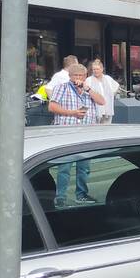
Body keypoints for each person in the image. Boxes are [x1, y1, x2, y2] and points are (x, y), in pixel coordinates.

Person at [48, 63, 104, 207]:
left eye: (81, 76)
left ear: (85, 77)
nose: (78, 78)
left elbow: (102, 101)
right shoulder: (62, 87)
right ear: (70, 76)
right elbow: (52, 106)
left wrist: (88, 89)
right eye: (75, 76)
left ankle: (81, 194)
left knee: (84, 166)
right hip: (67, 132)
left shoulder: (88, 89)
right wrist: (72, 113)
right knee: (65, 166)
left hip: (86, 133)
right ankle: (60, 196)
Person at [85, 59, 120, 124]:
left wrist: (112, 96)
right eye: (94, 69)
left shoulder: (108, 78)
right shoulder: (89, 80)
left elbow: (116, 87)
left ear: (102, 69)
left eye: (97, 69)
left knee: (107, 129)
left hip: (108, 109)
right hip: (95, 110)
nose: (95, 71)